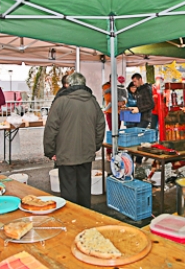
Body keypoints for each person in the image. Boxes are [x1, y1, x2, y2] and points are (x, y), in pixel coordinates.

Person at [44, 72, 105, 208]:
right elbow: (101, 124)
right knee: (84, 188)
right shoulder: (92, 101)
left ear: (69, 85)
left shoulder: (61, 101)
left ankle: (72, 220)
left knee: (68, 190)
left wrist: (50, 151)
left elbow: (51, 128)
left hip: (65, 154)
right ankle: (85, 218)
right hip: (86, 154)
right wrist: (95, 145)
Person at [129, 73, 154, 167]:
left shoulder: (146, 89)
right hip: (138, 118)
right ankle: (134, 159)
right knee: (136, 138)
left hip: (145, 118)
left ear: (140, 80)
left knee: (137, 138)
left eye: (135, 81)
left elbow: (151, 104)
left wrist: (139, 109)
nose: (134, 83)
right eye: (133, 82)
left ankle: (138, 160)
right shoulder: (139, 90)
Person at [102, 75, 126, 161]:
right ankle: (109, 152)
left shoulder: (119, 86)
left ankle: (115, 151)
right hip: (110, 112)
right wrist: (117, 100)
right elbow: (107, 98)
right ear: (109, 79)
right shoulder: (106, 86)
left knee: (117, 131)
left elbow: (124, 96)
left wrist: (122, 102)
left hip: (118, 112)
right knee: (112, 131)